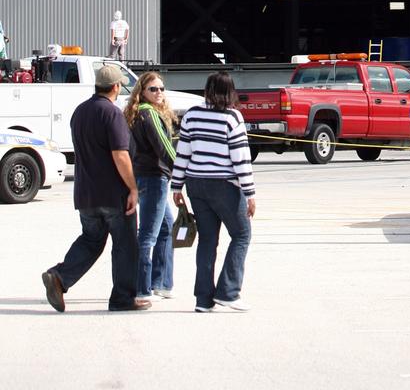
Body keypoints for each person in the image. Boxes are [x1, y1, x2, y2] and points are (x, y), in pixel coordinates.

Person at [41, 63, 148, 313]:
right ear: (116, 87)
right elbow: (120, 155)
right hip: (113, 194)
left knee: (91, 240)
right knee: (125, 245)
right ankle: (122, 298)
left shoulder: (80, 112)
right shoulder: (111, 113)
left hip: (86, 193)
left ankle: (59, 276)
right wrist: (133, 189)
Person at [171, 71, 256, 312]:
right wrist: (250, 194)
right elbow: (241, 159)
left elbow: (183, 152)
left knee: (207, 240)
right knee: (241, 235)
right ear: (230, 91)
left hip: (196, 184)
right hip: (225, 185)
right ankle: (228, 292)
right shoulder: (232, 117)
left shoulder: (192, 114)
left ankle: (203, 299)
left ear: (207, 89)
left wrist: (176, 185)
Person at [125, 70, 177, 301]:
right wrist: (181, 170)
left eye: (162, 89)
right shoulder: (148, 114)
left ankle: (161, 283)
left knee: (166, 227)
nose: (159, 93)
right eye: (153, 89)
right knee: (148, 235)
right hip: (154, 178)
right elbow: (163, 146)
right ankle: (143, 289)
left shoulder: (137, 114)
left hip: (146, 177)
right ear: (142, 92)